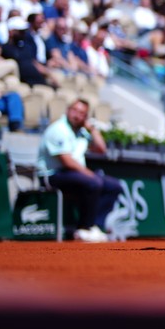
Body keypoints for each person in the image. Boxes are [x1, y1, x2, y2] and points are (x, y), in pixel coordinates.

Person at [39, 98, 123, 242]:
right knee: (94, 182)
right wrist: (90, 175)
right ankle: (84, 227)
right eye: (74, 111)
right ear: (67, 111)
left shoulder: (82, 132)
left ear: (86, 117)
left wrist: (92, 129)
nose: (77, 115)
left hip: (74, 173)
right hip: (53, 174)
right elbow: (66, 161)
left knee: (114, 186)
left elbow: (101, 149)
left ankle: (95, 226)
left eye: (81, 113)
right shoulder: (58, 129)